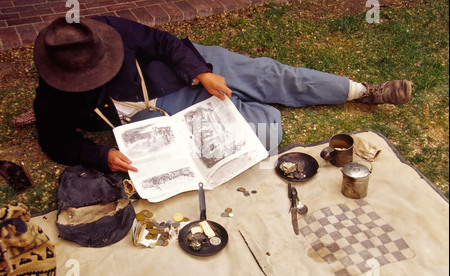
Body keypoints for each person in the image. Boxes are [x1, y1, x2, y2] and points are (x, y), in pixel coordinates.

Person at [33, 16, 411, 174]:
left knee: (268, 74)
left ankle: (362, 92)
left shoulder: (109, 29)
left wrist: (201, 71)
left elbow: (164, 43)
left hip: (187, 67)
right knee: (256, 139)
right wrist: (102, 155)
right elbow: (56, 141)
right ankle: (251, 109)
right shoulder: (52, 94)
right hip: (157, 113)